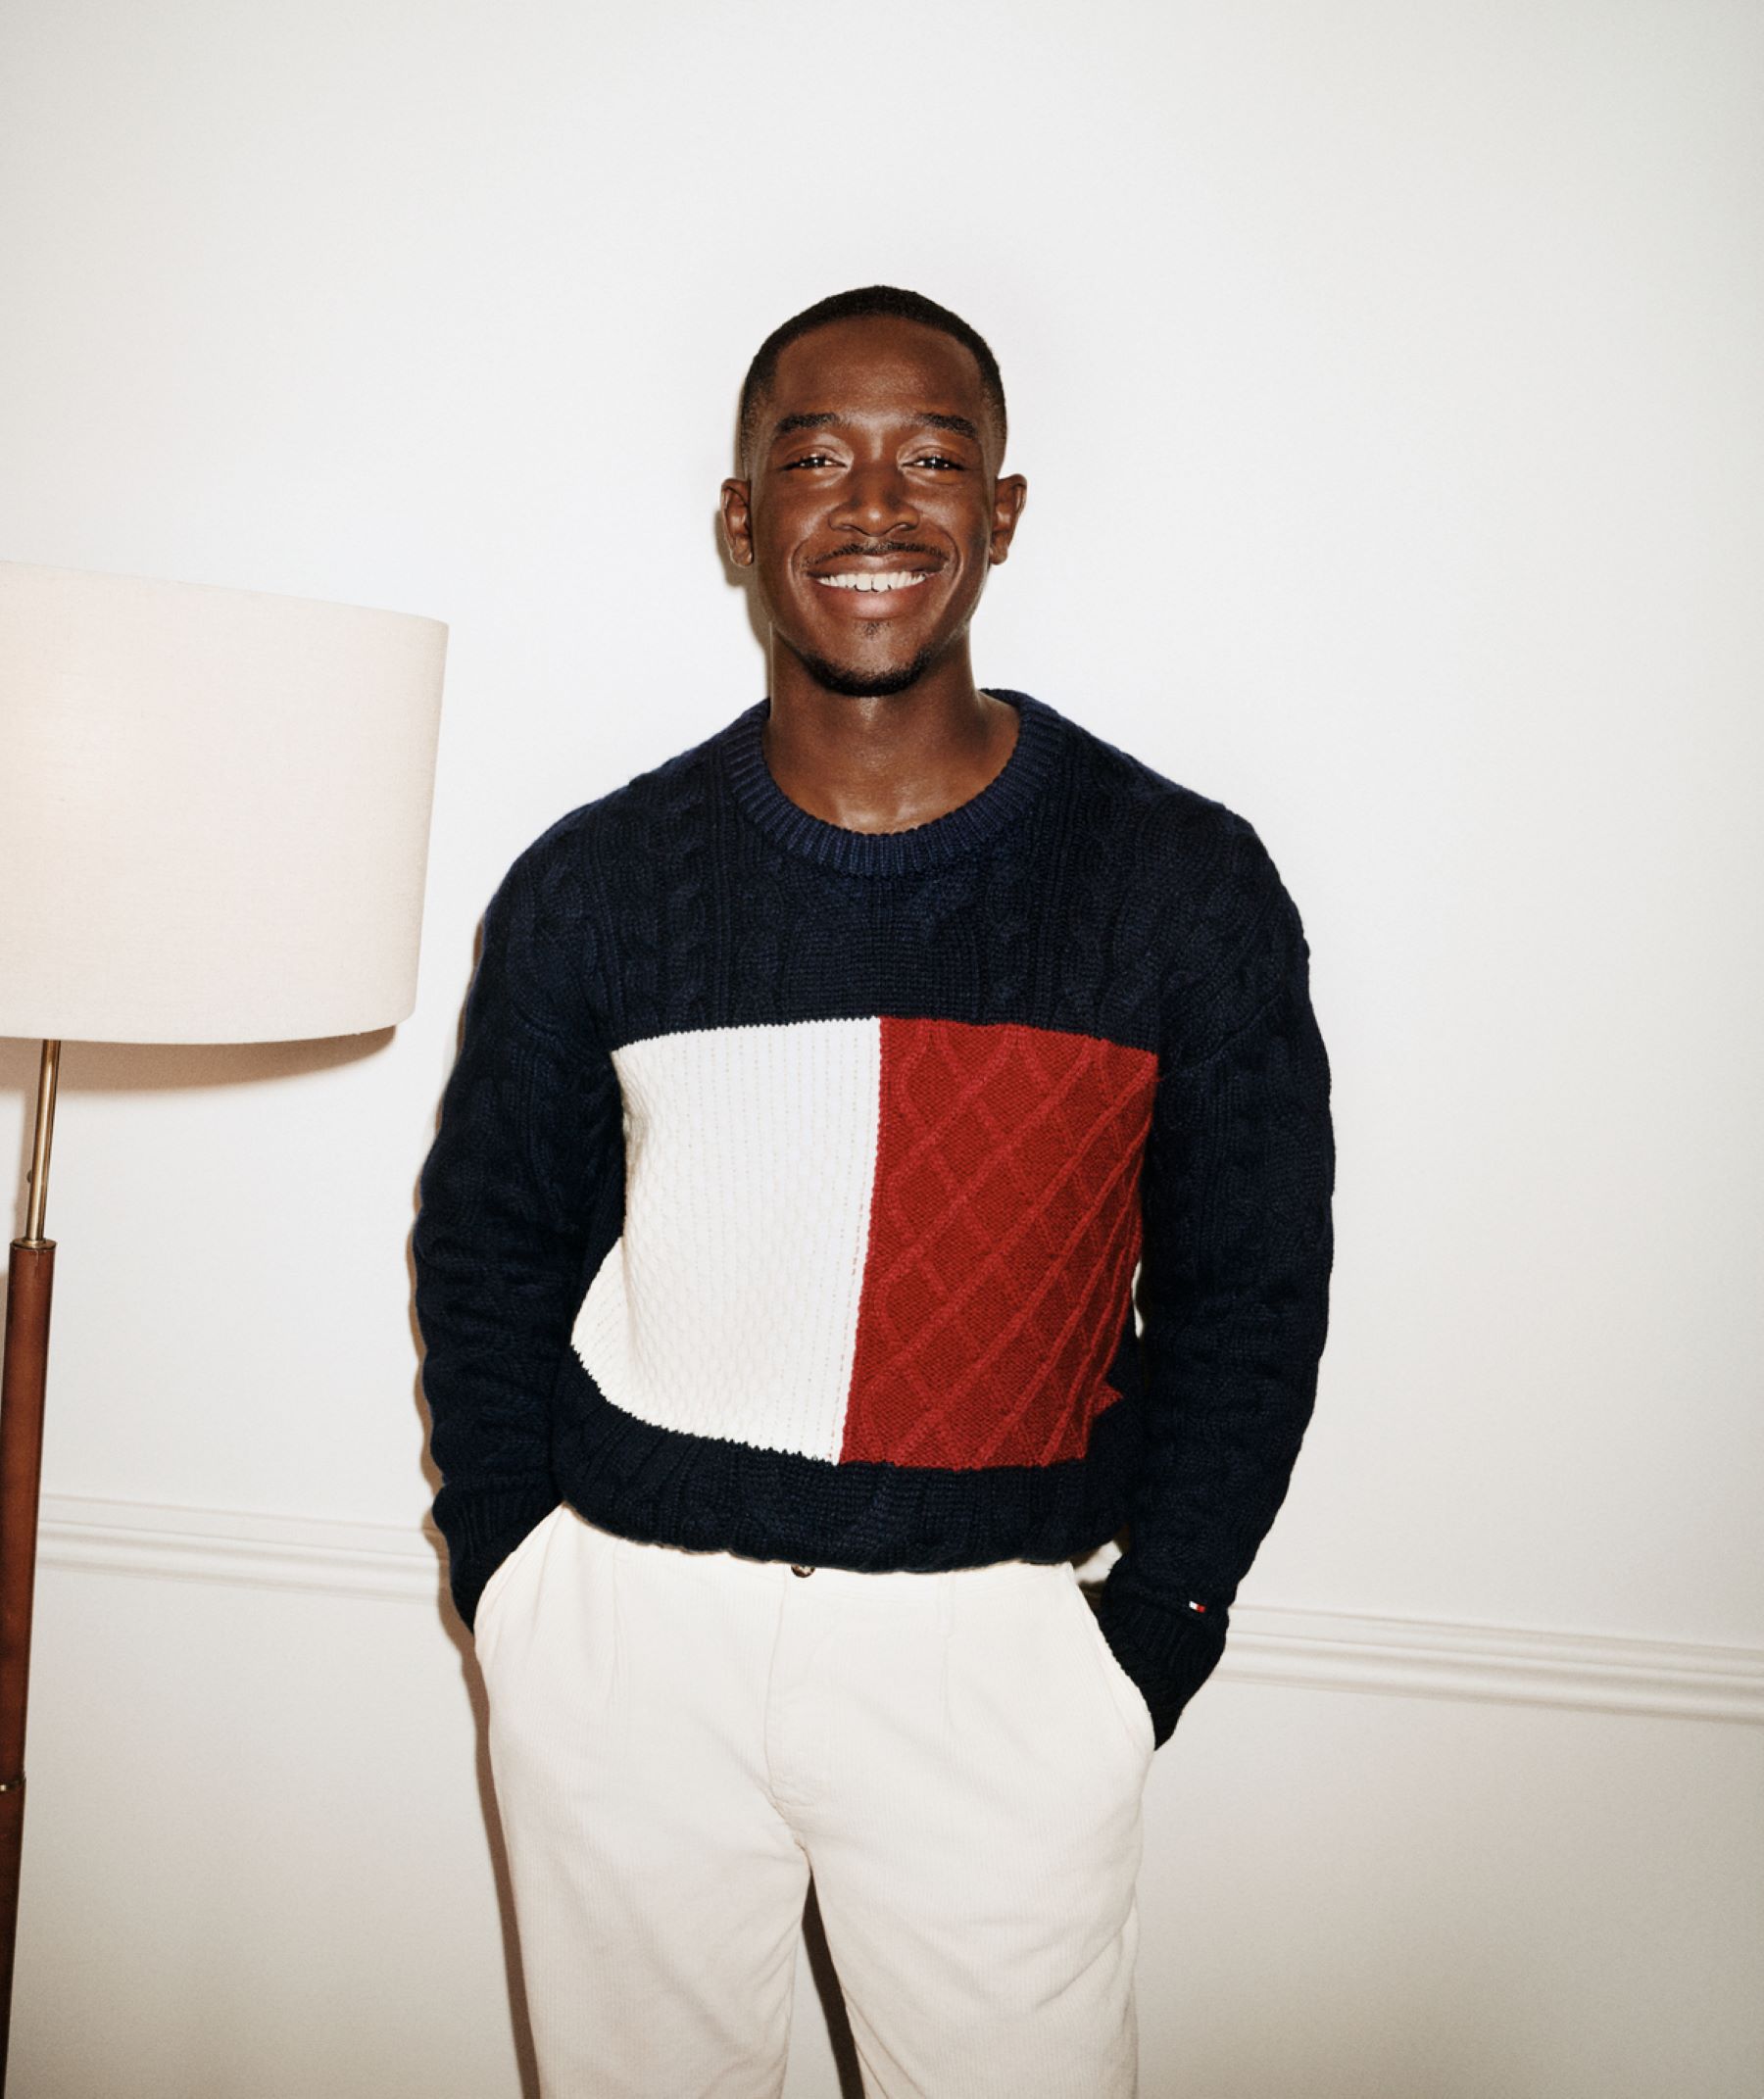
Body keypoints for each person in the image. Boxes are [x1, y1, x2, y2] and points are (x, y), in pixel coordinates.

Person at [413, 284, 1335, 2099]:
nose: (876, 505)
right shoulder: (596, 883)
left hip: (994, 1665)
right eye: (816, 458)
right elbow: (491, 1251)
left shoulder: (1183, 885)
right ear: (740, 516)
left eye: (933, 458)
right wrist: (515, 1573)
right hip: (628, 1649)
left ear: (1003, 511)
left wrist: (1151, 1640)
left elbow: (1251, 1301)